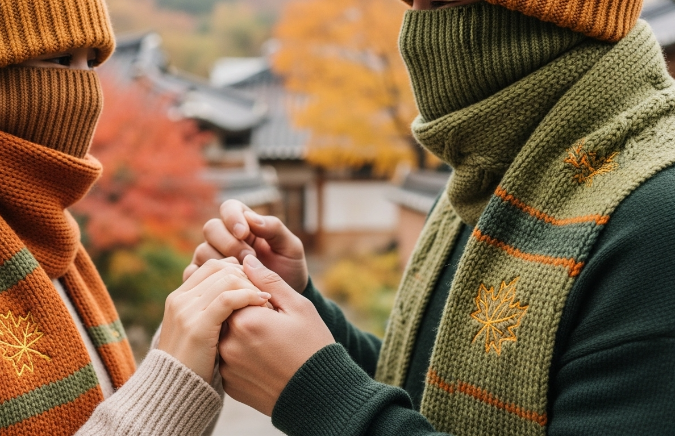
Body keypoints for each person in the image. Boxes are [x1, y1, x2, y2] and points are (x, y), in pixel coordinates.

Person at [190, 0, 675, 434]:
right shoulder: (494, 169)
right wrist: (301, 310)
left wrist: (319, 397)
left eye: (441, 1)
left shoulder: (657, 215)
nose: (418, 25)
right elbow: (426, 386)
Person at [0, 0, 271, 435]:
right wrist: (173, 373)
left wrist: (196, 334)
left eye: (92, 63)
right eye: (61, 60)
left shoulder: (33, 226)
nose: (84, 91)